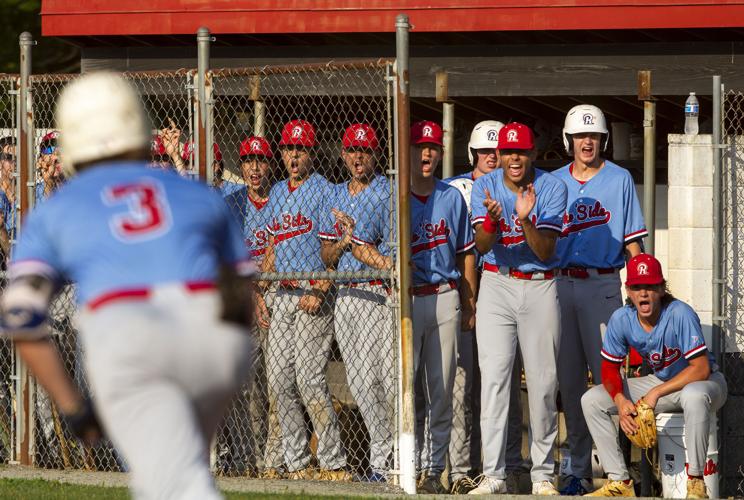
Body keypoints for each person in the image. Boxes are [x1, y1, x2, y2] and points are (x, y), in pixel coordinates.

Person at [0, 72, 256, 499]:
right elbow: (239, 287)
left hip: (129, 330)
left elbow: (20, 313)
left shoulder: (62, 204)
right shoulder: (194, 191)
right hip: (212, 331)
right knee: (180, 473)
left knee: (173, 484)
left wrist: (74, 407)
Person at [553, 104, 647, 495]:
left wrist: (641, 291)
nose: (586, 142)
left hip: (603, 284)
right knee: (570, 382)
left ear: (603, 139)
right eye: (580, 136)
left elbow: (634, 243)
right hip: (558, 285)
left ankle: (617, 472)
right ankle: (576, 468)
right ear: (569, 140)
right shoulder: (552, 181)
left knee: (611, 384)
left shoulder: (620, 178)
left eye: (592, 136)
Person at [468, 122, 567, 496]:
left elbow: (546, 251)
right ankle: (493, 474)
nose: (514, 158)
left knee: (543, 384)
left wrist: (524, 217)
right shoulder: (486, 184)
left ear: (533, 154)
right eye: (508, 151)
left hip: (541, 284)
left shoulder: (552, 186)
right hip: (497, 282)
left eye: (521, 151)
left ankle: (542, 475)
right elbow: (480, 246)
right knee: (494, 379)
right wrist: (494, 219)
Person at [582, 254, 727, 498]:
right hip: (663, 383)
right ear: (628, 290)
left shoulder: (680, 313)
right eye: (637, 287)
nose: (643, 293)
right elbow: (608, 368)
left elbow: (701, 368)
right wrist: (620, 399)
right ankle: (620, 483)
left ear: (661, 289)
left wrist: (655, 393)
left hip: (706, 384)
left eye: (650, 286)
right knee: (592, 400)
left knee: (693, 394)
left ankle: (696, 482)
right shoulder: (622, 319)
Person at [262, 119, 351, 481]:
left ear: (311, 154)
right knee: (279, 381)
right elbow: (272, 245)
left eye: (300, 149)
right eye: (288, 149)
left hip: (313, 293)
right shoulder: (279, 192)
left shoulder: (325, 190)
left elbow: (335, 250)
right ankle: (296, 462)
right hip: (281, 293)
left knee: (309, 379)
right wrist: (260, 288)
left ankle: (332, 461)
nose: (293, 155)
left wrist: (321, 287)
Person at [445, 120, 528, 494]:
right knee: (463, 387)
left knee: (504, 384)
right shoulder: (457, 188)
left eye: (497, 151)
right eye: (485, 151)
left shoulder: (516, 187)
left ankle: (509, 466)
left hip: (502, 287)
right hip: (465, 291)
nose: (492, 157)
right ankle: (463, 468)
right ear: (473, 154)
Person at [399, 120, 477, 494]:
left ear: (441, 153)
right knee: (407, 389)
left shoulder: (451, 197)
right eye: (419, 147)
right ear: (408, 151)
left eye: (431, 147)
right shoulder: (396, 197)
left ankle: (433, 471)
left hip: (445, 295)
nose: (426, 153)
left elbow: (466, 255)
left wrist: (468, 300)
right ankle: (407, 466)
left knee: (442, 390)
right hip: (408, 301)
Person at [318, 123, 395, 482]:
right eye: (351, 150)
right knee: (360, 381)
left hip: (375, 291)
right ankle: (382, 456)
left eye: (364, 150)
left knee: (380, 378)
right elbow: (327, 255)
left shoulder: (385, 191)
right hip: (344, 293)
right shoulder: (335, 195)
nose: (357, 157)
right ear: (343, 154)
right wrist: (346, 241)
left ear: (375, 154)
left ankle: (390, 456)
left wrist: (358, 241)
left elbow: (388, 251)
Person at [222, 135, 284, 478]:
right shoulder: (232, 203)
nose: (254, 167)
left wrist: (262, 290)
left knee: (275, 385)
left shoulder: (279, 198)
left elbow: (281, 248)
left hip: (274, 295)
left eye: (260, 160)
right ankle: (251, 457)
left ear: (269, 163)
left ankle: (273, 460)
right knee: (244, 387)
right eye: (247, 160)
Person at [36, 131, 64, 202]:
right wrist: (48, 184)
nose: (55, 158)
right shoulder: (31, 193)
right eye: (48, 149)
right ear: (41, 158)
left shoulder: (78, 188)